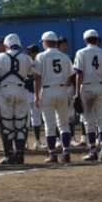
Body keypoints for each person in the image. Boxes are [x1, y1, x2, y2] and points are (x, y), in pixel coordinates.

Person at [0, 33, 34, 165]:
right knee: (21, 124)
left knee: (6, 123)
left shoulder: (0, 56)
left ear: (6, 45)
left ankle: (9, 155)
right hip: (21, 91)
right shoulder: (26, 58)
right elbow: (30, 75)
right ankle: (20, 154)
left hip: (5, 91)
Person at [34, 31, 74, 164]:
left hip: (48, 90)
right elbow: (69, 76)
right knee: (63, 123)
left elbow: (38, 78)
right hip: (62, 89)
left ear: (45, 43)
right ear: (56, 42)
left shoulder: (41, 56)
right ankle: (66, 151)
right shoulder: (64, 56)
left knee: (50, 125)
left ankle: (52, 154)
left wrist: (36, 95)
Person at [74, 29, 102, 161]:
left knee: (88, 120)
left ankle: (92, 151)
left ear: (85, 40)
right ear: (97, 39)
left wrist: (77, 94)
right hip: (101, 86)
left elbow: (79, 74)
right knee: (101, 119)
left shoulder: (81, 52)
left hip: (87, 87)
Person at [25, 44, 46, 150]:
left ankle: (37, 141)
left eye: (32, 52)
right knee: (25, 118)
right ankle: (24, 142)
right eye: (29, 53)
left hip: (37, 92)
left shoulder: (40, 62)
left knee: (36, 117)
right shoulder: (25, 62)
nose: (30, 54)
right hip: (26, 92)